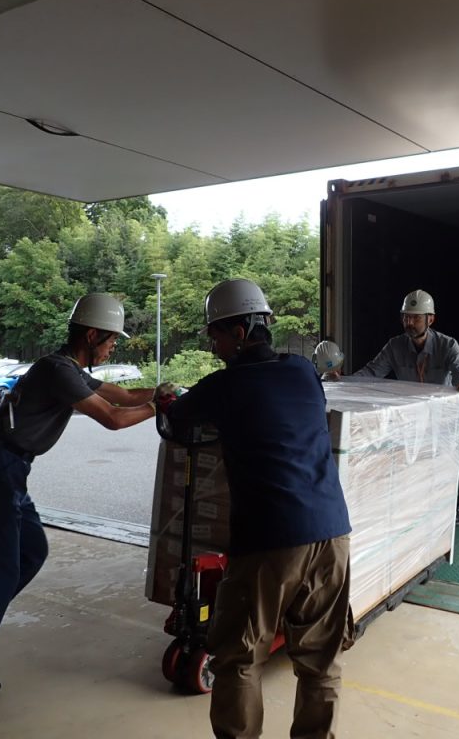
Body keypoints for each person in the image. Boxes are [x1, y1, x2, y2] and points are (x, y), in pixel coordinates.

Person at [0, 292, 161, 707]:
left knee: (31, 552)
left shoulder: (69, 369)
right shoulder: (57, 370)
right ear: (91, 334)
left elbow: (120, 395)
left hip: (8, 469)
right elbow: (114, 419)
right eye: (111, 340)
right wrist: (160, 405)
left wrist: (164, 391)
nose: (113, 346)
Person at [161, 278, 352, 739]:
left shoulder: (222, 386)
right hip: (333, 534)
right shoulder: (303, 371)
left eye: (217, 335)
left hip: (270, 540)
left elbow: (176, 419)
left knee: (240, 658)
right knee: (321, 661)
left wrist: (167, 397)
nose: (213, 345)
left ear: (242, 331)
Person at [346, 289, 459, 525]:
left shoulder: (447, 345)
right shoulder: (395, 346)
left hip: (452, 417)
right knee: (419, 461)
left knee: (454, 462)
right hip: (418, 417)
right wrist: (342, 382)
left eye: (415, 318)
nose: (409, 323)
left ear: (430, 319)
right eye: (405, 317)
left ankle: (458, 505)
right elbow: (372, 373)